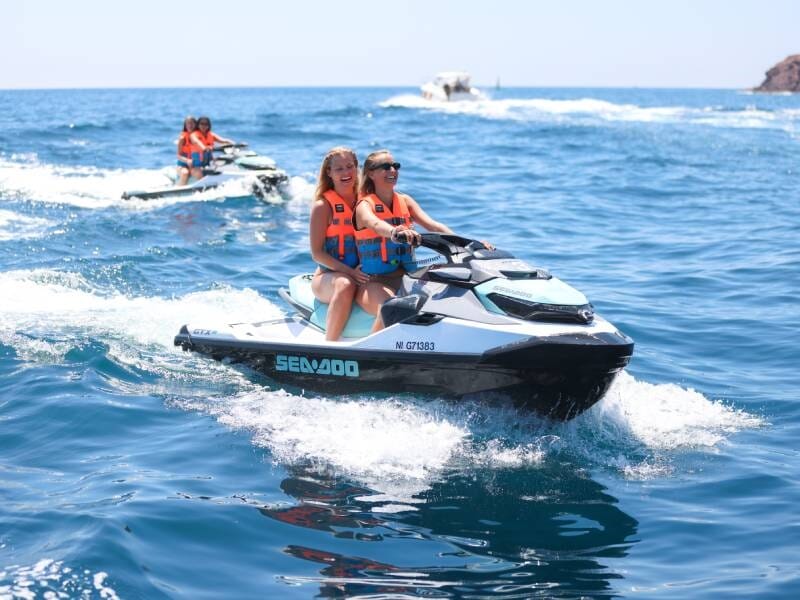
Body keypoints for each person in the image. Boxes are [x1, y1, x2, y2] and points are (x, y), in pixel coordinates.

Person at [354, 149, 453, 332]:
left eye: (395, 166)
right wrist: (394, 231)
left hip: (407, 279)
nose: (392, 170)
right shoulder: (364, 206)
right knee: (392, 307)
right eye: (385, 167)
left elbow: (433, 226)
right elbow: (375, 224)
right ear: (371, 173)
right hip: (374, 283)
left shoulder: (405, 201)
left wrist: (469, 244)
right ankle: (373, 354)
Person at [309, 147, 370, 341]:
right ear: (329, 172)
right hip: (328, 278)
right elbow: (317, 254)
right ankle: (330, 345)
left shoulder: (366, 201)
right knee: (345, 284)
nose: (346, 173)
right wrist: (350, 272)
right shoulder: (322, 207)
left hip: (362, 273)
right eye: (339, 169)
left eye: (350, 166)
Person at [176, 116, 198, 186]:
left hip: (195, 165)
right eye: (188, 123)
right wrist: (187, 160)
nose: (190, 125)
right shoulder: (182, 138)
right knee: (185, 173)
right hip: (182, 165)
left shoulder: (199, 137)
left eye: (192, 123)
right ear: (185, 125)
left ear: (195, 124)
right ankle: (178, 190)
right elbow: (178, 156)